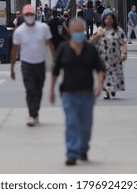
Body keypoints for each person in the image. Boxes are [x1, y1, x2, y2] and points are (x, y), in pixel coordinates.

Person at [50, 18, 105, 166]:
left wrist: (99, 85)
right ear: (70, 32)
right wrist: (52, 90)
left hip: (87, 94)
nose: (79, 34)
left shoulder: (90, 49)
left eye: (82, 31)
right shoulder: (63, 48)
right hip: (69, 94)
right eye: (76, 31)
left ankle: (83, 149)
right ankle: (72, 153)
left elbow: (100, 68)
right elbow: (56, 71)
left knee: (85, 126)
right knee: (72, 123)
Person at [10, 4, 55, 126]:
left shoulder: (43, 28)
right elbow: (15, 49)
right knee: (30, 90)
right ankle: (32, 114)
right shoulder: (19, 31)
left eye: (31, 14)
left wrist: (55, 60)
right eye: (27, 15)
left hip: (40, 63)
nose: (29, 16)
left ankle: (35, 112)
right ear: (24, 16)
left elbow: (49, 44)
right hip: (26, 64)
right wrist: (12, 68)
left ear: (34, 15)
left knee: (38, 89)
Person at [91, 13, 128, 100]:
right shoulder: (100, 29)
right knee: (104, 74)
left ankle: (113, 88)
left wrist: (125, 53)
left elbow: (124, 41)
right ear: (104, 20)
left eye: (110, 19)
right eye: (106, 18)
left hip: (115, 57)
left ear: (113, 20)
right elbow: (92, 40)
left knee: (115, 73)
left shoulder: (118, 30)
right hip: (103, 56)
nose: (108, 20)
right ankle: (107, 91)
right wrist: (98, 35)